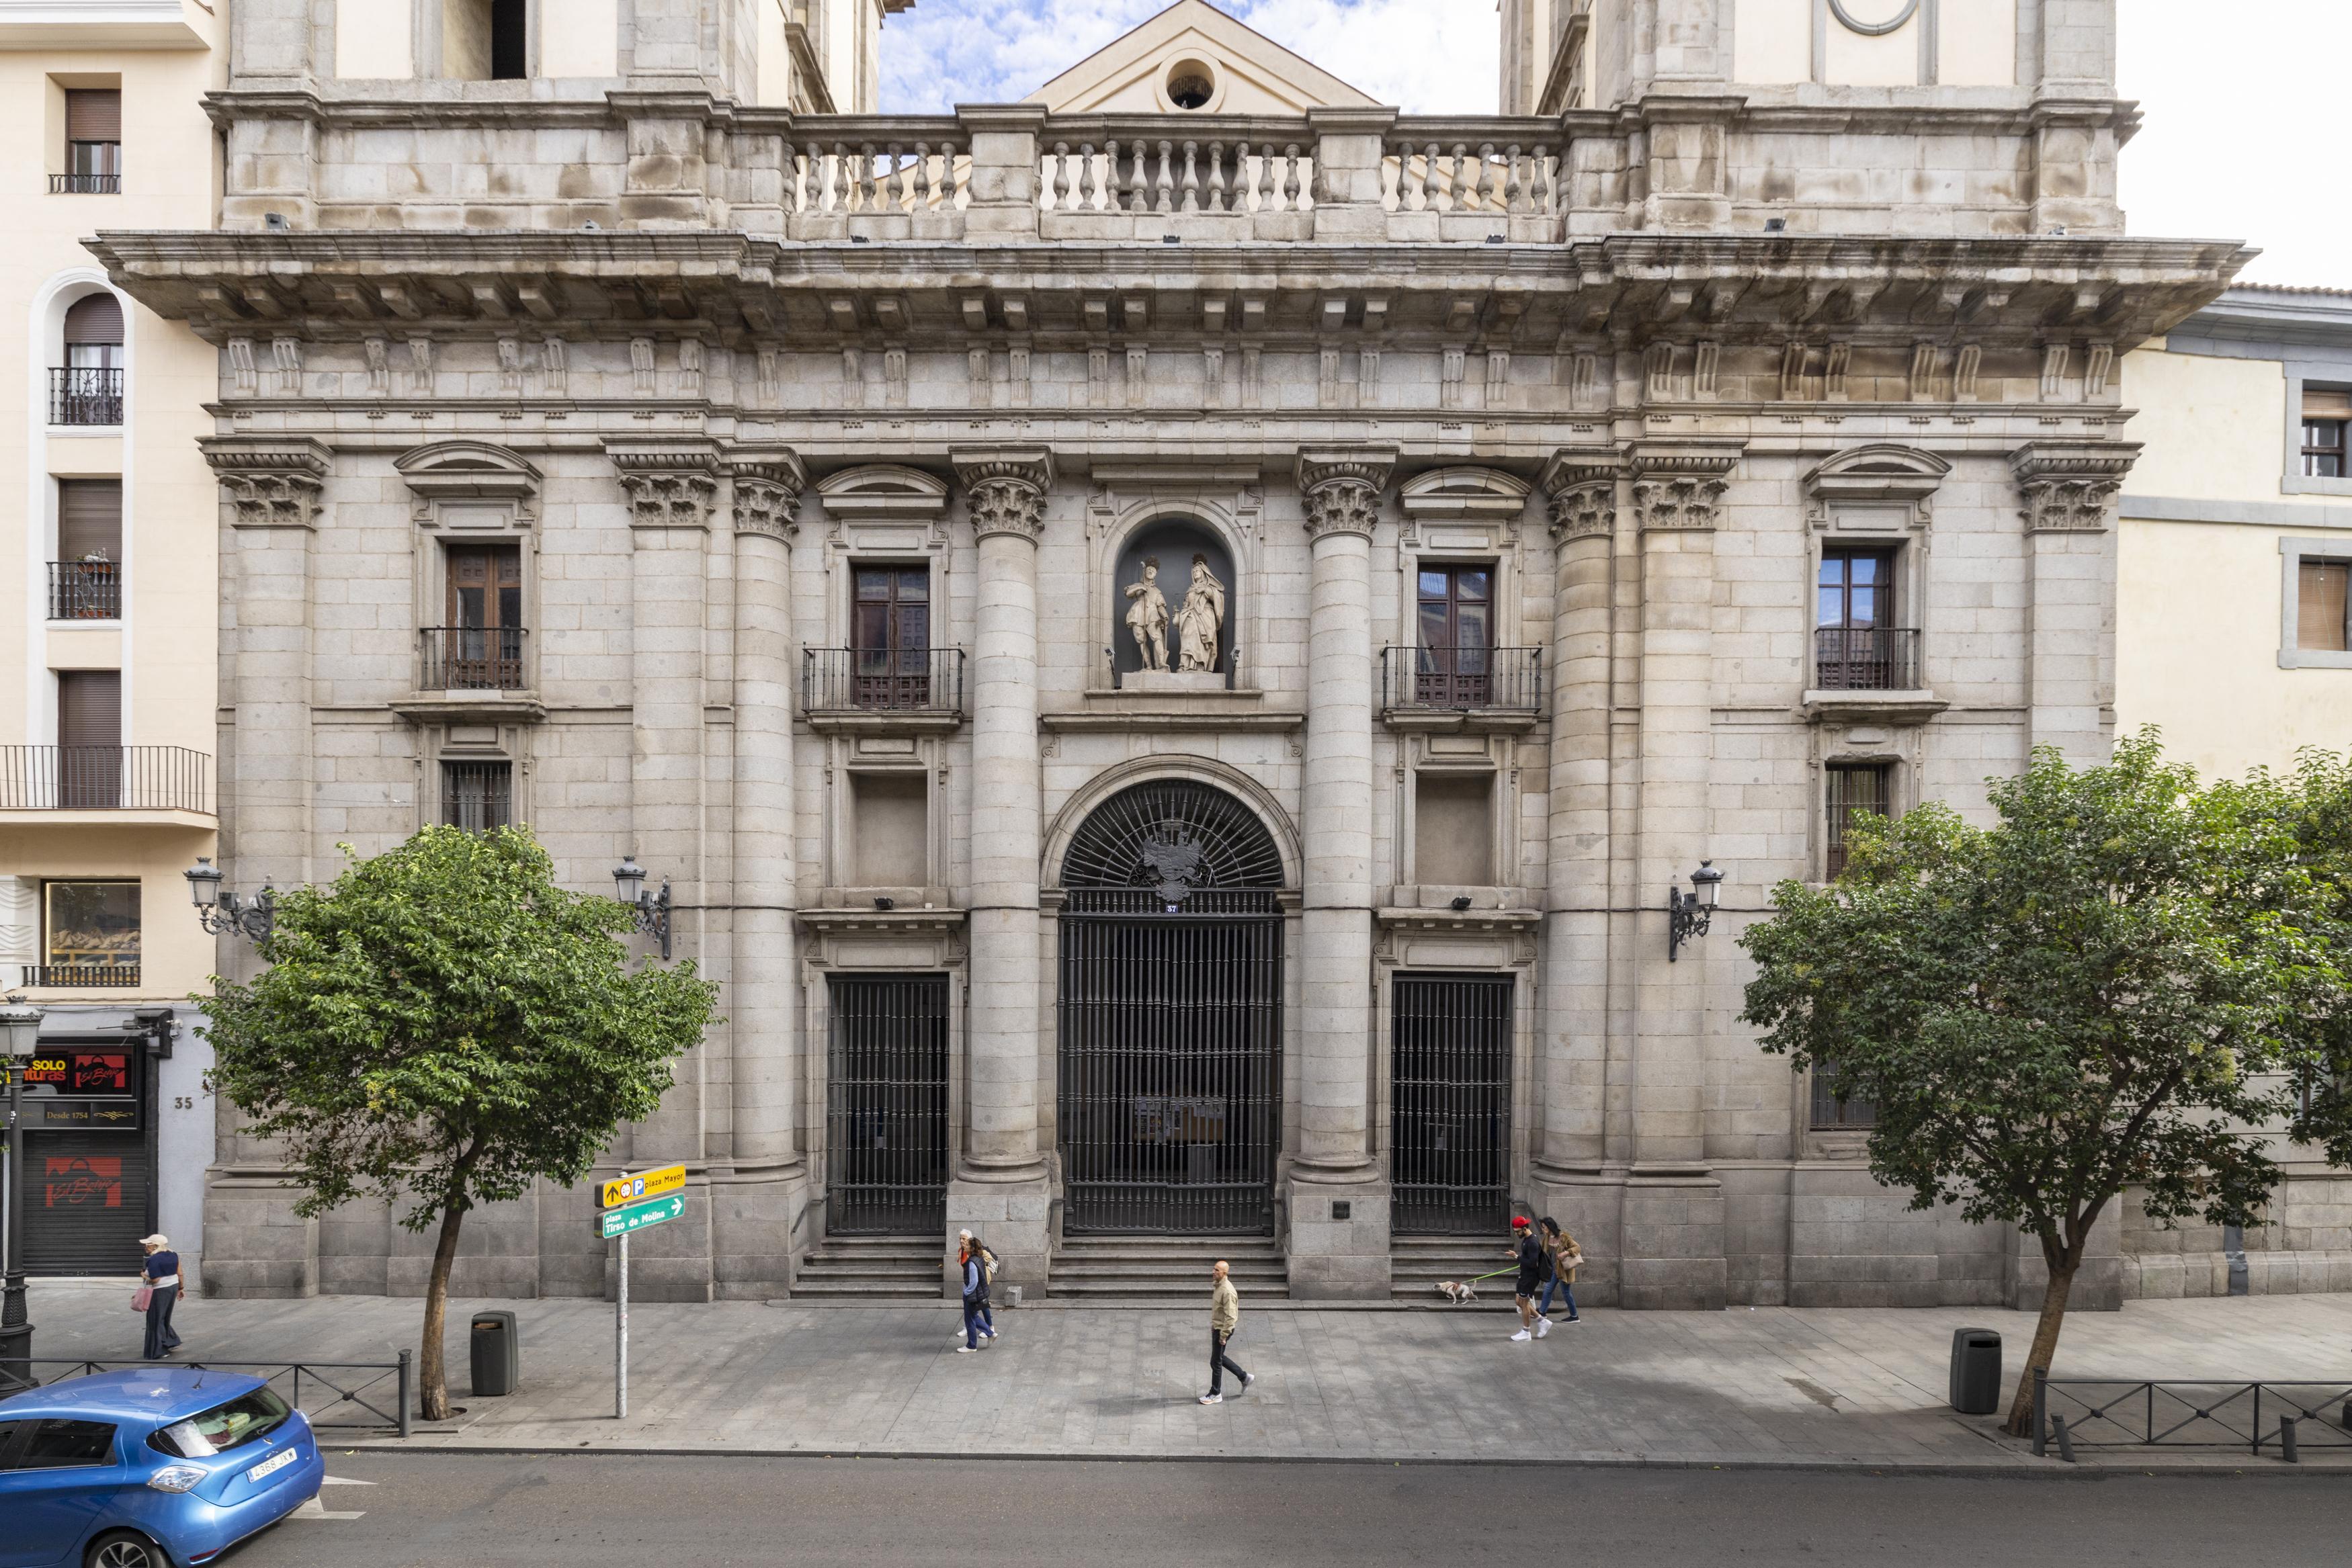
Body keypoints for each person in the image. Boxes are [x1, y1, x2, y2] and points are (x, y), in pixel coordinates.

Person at [1200, 1258, 1253, 1404]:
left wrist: (1223, 1335)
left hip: (1223, 1330)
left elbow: (1231, 1317)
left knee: (1216, 1362)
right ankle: (1244, 1377)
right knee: (1218, 1359)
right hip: (1218, 1327)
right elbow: (1220, 1311)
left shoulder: (1227, 1291)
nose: (1213, 1272)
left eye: (1217, 1270)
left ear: (1224, 1273)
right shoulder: (1219, 1286)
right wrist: (1214, 1324)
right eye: (1214, 1269)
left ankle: (1215, 1393)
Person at [138, 1234, 183, 1360]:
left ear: (155, 1246)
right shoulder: (173, 1254)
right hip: (173, 1287)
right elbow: (179, 1272)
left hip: (160, 1291)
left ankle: (158, 1351)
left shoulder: (153, 1260)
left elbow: (155, 1280)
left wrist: (144, 1275)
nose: (145, 1247)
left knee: (155, 1319)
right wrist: (181, 1288)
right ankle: (171, 1341)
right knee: (164, 1317)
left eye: (148, 1244)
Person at [1507, 1215, 1548, 1342]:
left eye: (1518, 1231)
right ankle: (1542, 1321)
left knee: (1524, 1304)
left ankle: (1526, 1332)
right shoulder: (1527, 1239)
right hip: (1525, 1275)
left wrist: (1517, 1258)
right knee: (1519, 1301)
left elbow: (1532, 1263)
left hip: (1530, 1277)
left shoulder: (1532, 1242)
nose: (1517, 1234)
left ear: (1525, 1229)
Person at [952, 1229, 997, 1346]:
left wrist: (967, 1292)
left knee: (981, 1306)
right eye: (960, 1239)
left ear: (970, 1244)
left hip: (978, 1284)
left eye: (964, 1239)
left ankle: (989, 1329)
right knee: (973, 1312)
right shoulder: (962, 1252)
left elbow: (975, 1277)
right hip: (971, 1284)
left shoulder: (974, 1258)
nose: (962, 1241)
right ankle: (987, 1332)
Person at [1538, 1216, 1582, 1326]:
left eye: (1544, 1227)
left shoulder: (1564, 1237)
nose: (1543, 1230)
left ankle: (1574, 1316)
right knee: (1548, 1289)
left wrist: (1566, 1253)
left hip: (1564, 1270)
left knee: (1566, 1293)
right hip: (1553, 1269)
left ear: (1549, 1226)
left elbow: (1577, 1248)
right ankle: (1542, 1313)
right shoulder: (1546, 1239)